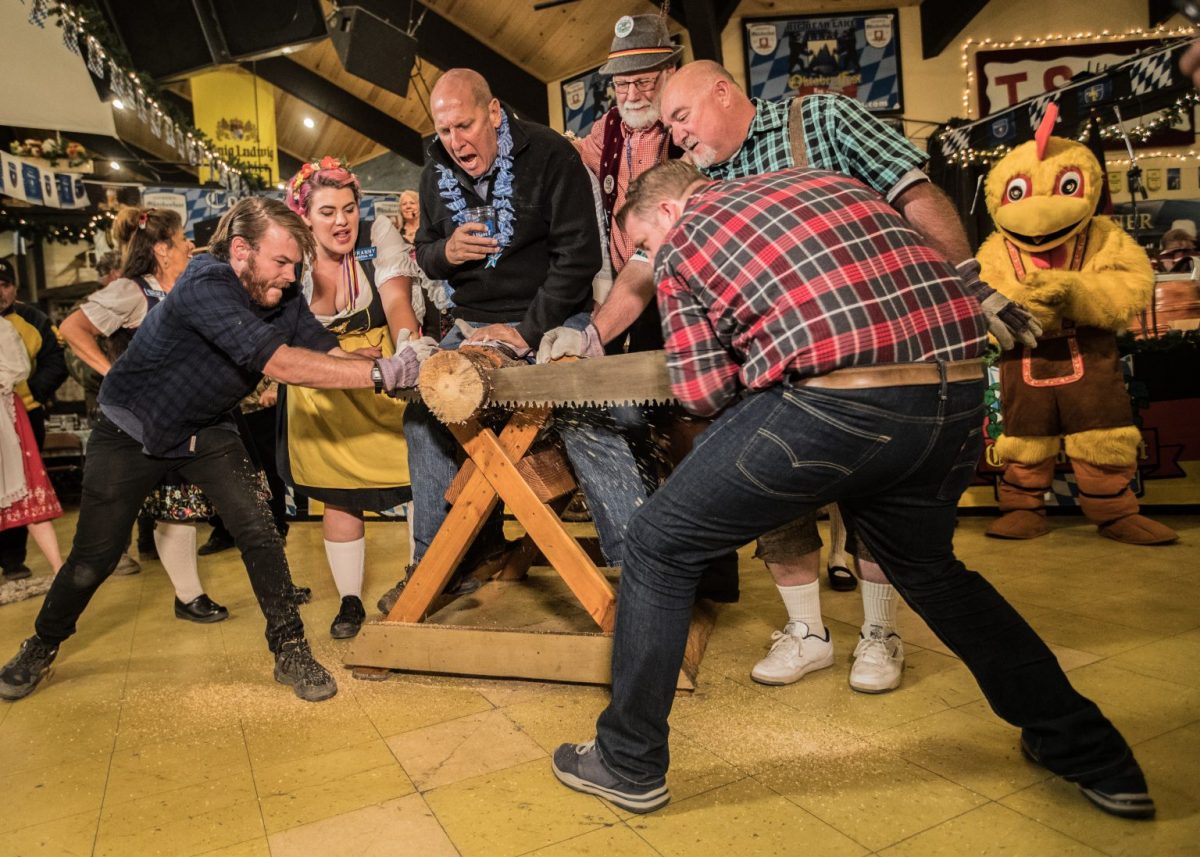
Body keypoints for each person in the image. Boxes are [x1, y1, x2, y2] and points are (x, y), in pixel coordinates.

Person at [551, 160, 1155, 822]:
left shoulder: (686, 236)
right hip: (951, 395)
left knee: (659, 543)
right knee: (932, 572)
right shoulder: (828, 183)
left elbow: (703, 394)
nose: (648, 260)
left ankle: (628, 761)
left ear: (666, 211)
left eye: (641, 244)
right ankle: (1091, 750)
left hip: (838, 402)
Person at [544, 61, 1041, 693]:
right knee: (873, 537)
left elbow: (912, 195)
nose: (678, 135)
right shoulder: (697, 178)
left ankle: (878, 633)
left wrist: (971, 282)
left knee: (691, 532)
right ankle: (808, 631)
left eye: (681, 117)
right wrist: (593, 335)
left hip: (865, 360)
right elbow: (649, 267)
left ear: (723, 92)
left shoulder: (821, 120)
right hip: (848, 377)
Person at [0, 196, 428, 704]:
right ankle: (42, 644)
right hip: (132, 428)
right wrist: (379, 374)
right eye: (282, 263)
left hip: (205, 426)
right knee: (95, 557)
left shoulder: (279, 291)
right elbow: (280, 363)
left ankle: (290, 648)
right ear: (242, 250)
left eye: (296, 265)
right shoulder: (206, 284)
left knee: (259, 530)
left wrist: (353, 358)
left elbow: (309, 338)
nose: (292, 277)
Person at [375, 68, 648, 612]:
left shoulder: (551, 156)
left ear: (495, 111)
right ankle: (441, 564)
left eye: (465, 125)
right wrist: (446, 253)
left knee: (585, 408)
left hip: (549, 318)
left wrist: (525, 333)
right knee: (424, 413)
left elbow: (580, 259)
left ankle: (642, 567)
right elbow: (423, 253)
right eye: (444, 130)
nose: (454, 142)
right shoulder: (435, 173)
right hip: (470, 320)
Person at [59, 206, 229, 622]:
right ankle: (182, 594)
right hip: (143, 420)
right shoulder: (132, 291)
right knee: (149, 510)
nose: (190, 243)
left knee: (181, 502)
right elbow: (72, 328)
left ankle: (189, 595)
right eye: (182, 236)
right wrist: (113, 370)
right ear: (161, 248)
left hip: (188, 413)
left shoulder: (186, 287)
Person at [280, 156, 426, 639]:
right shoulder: (289, 255)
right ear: (304, 216)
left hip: (381, 373)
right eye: (327, 212)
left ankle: (419, 580)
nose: (342, 221)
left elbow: (398, 301)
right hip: (318, 382)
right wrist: (340, 357)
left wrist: (407, 353)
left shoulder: (374, 234)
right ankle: (348, 601)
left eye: (348, 208)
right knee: (338, 491)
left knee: (415, 473)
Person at [0, 258, 68, 581]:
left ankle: (14, 560)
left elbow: (57, 361)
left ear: (15, 287)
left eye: (5, 285)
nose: (0, 292)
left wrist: (34, 394)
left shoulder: (32, 319)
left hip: (24, 415)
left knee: (24, 486)